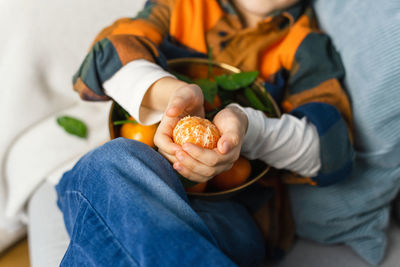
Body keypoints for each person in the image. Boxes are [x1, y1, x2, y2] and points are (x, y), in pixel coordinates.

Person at [56, 0, 355, 265]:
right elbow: (103, 59)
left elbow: (332, 151)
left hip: (228, 215)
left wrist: (247, 130)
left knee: (107, 182)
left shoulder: (306, 46)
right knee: (113, 162)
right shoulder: (180, 6)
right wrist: (172, 95)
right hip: (130, 178)